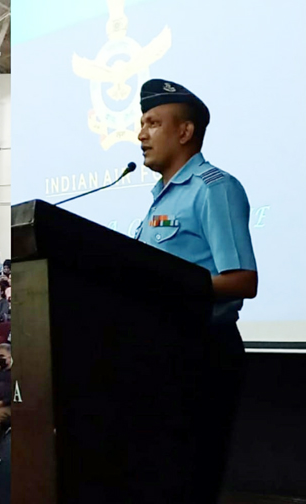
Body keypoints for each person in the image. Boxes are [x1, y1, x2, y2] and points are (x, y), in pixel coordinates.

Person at [135, 78, 257, 500]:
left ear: (184, 132)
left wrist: (170, 287)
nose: (141, 134)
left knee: (190, 478)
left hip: (201, 351)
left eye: (152, 123)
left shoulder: (213, 187)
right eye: (142, 123)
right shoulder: (160, 199)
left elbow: (243, 279)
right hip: (157, 353)